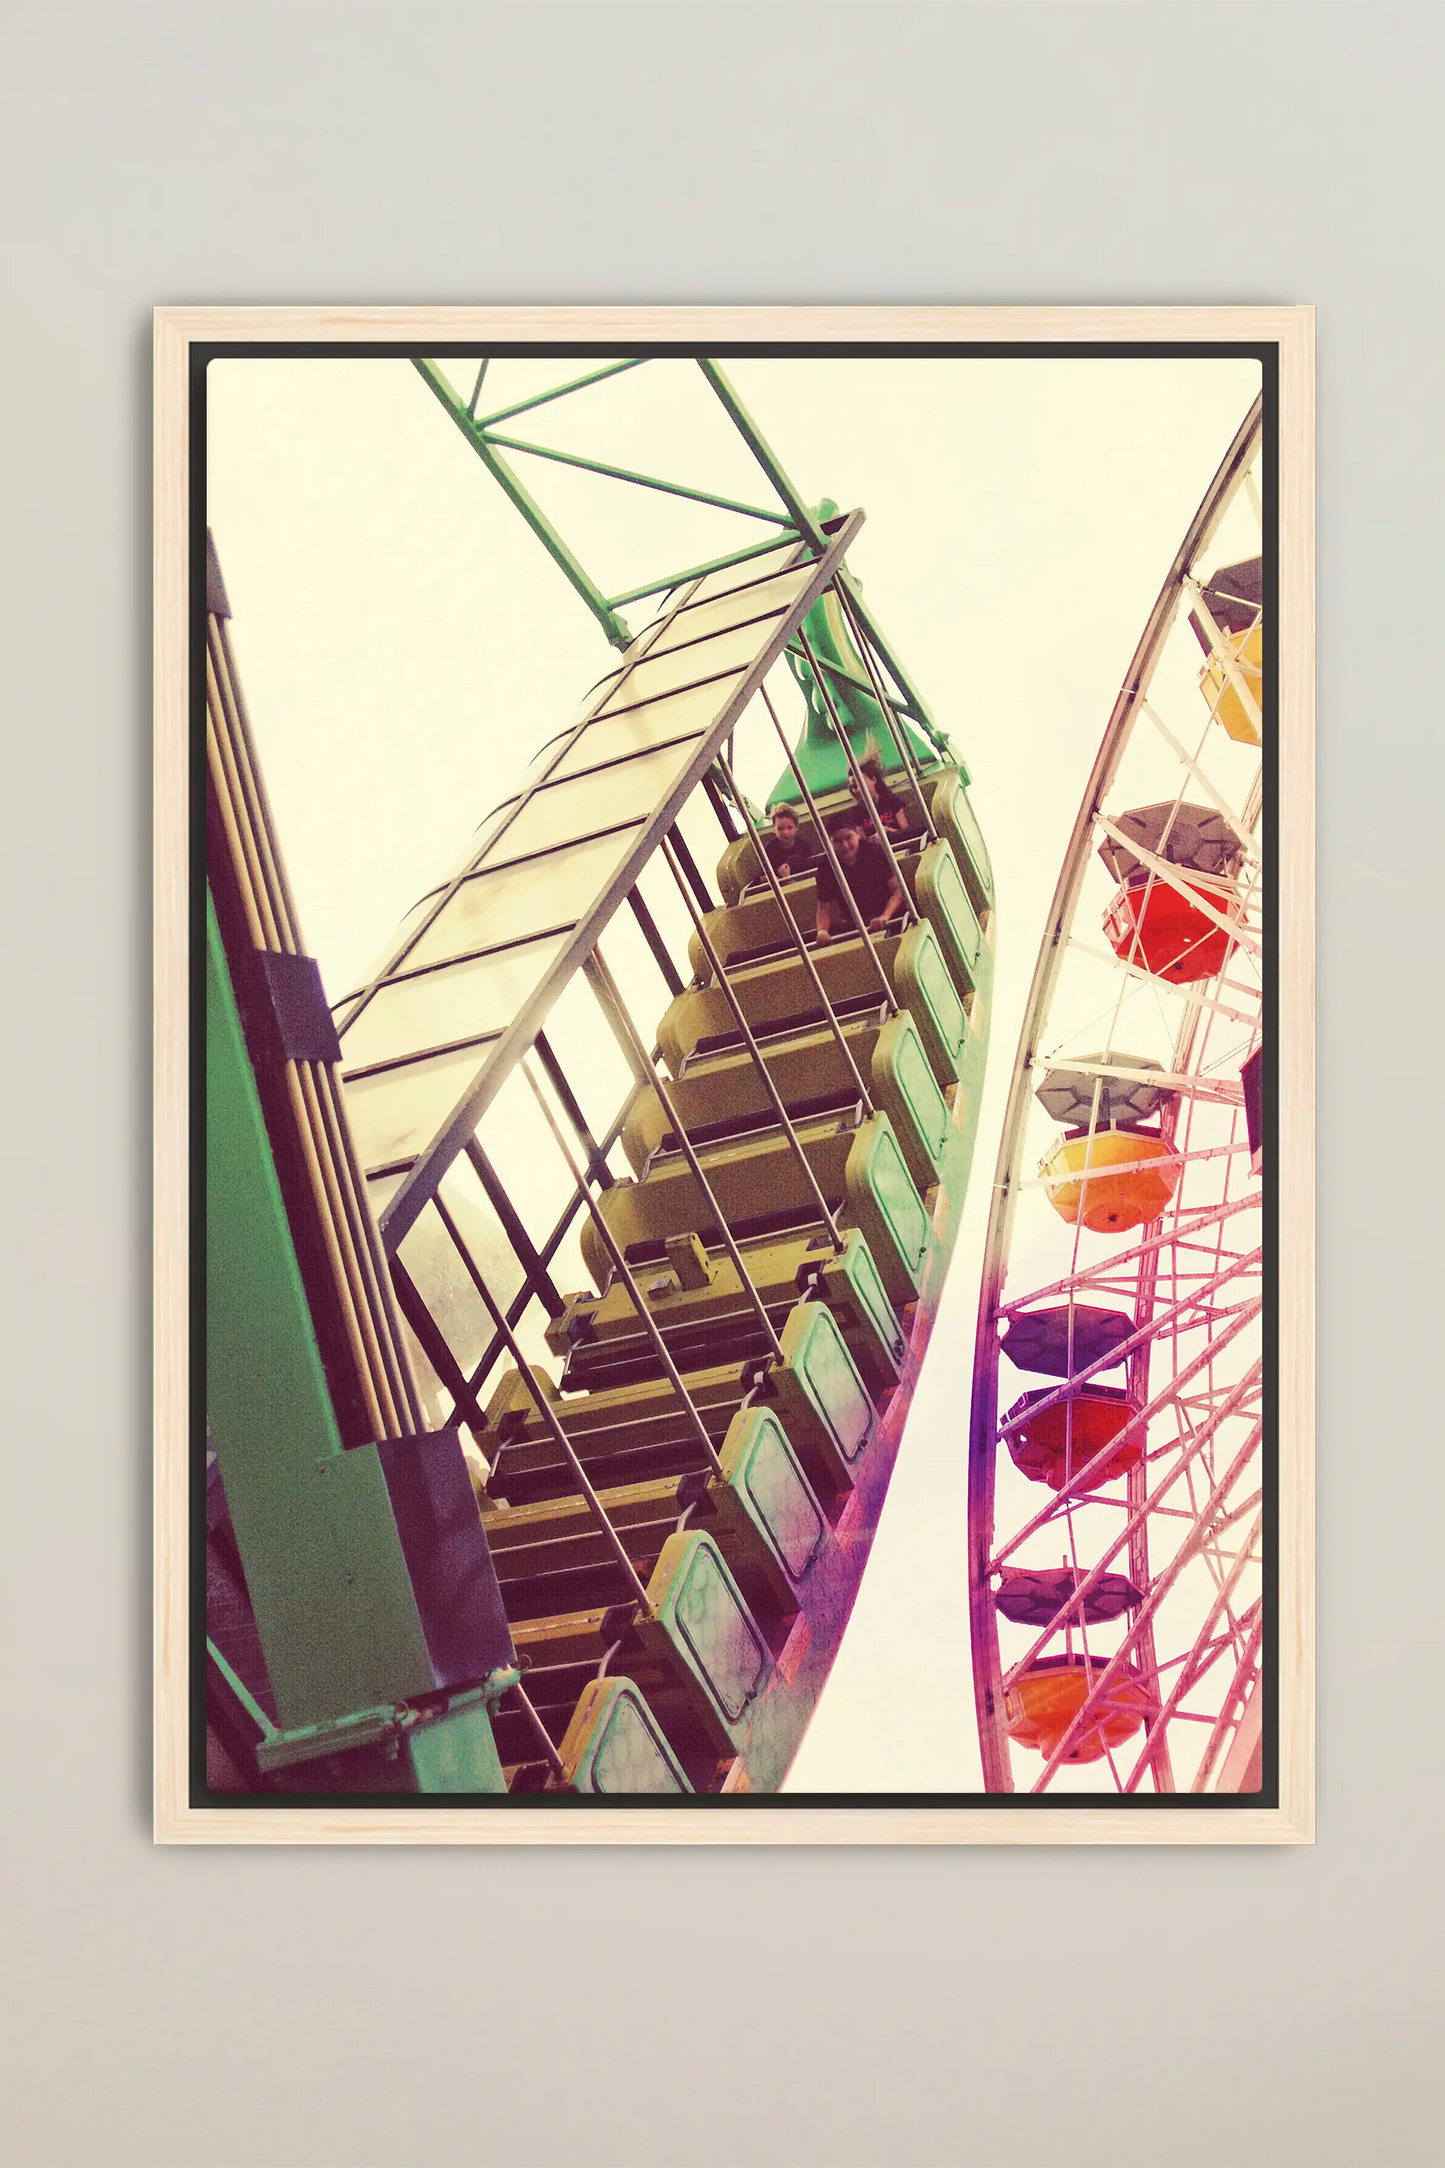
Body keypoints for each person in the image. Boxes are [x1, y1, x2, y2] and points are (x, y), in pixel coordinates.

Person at [814, 811, 905, 945]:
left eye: (848, 838)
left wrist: (884, 917)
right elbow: (823, 907)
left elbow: (898, 889)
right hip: (857, 926)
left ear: (857, 833)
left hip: (894, 917)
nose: (845, 845)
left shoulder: (875, 851)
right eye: (838, 841)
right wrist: (821, 931)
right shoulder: (825, 866)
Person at [849, 754, 916, 840]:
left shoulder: (893, 802)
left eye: (861, 784)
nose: (858, 790)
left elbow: (907, 832)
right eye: (854, 787)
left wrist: (888, 831)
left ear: (873, 780)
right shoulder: (857, 812)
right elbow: (862, 841)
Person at [761, 803, 815, 881]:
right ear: (774, 829)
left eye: (789, 828)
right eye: (780, 829)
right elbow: (764, 875)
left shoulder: (804, 846)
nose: (785, 833)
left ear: (796, 828)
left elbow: (810, 871)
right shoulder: (770, 848)